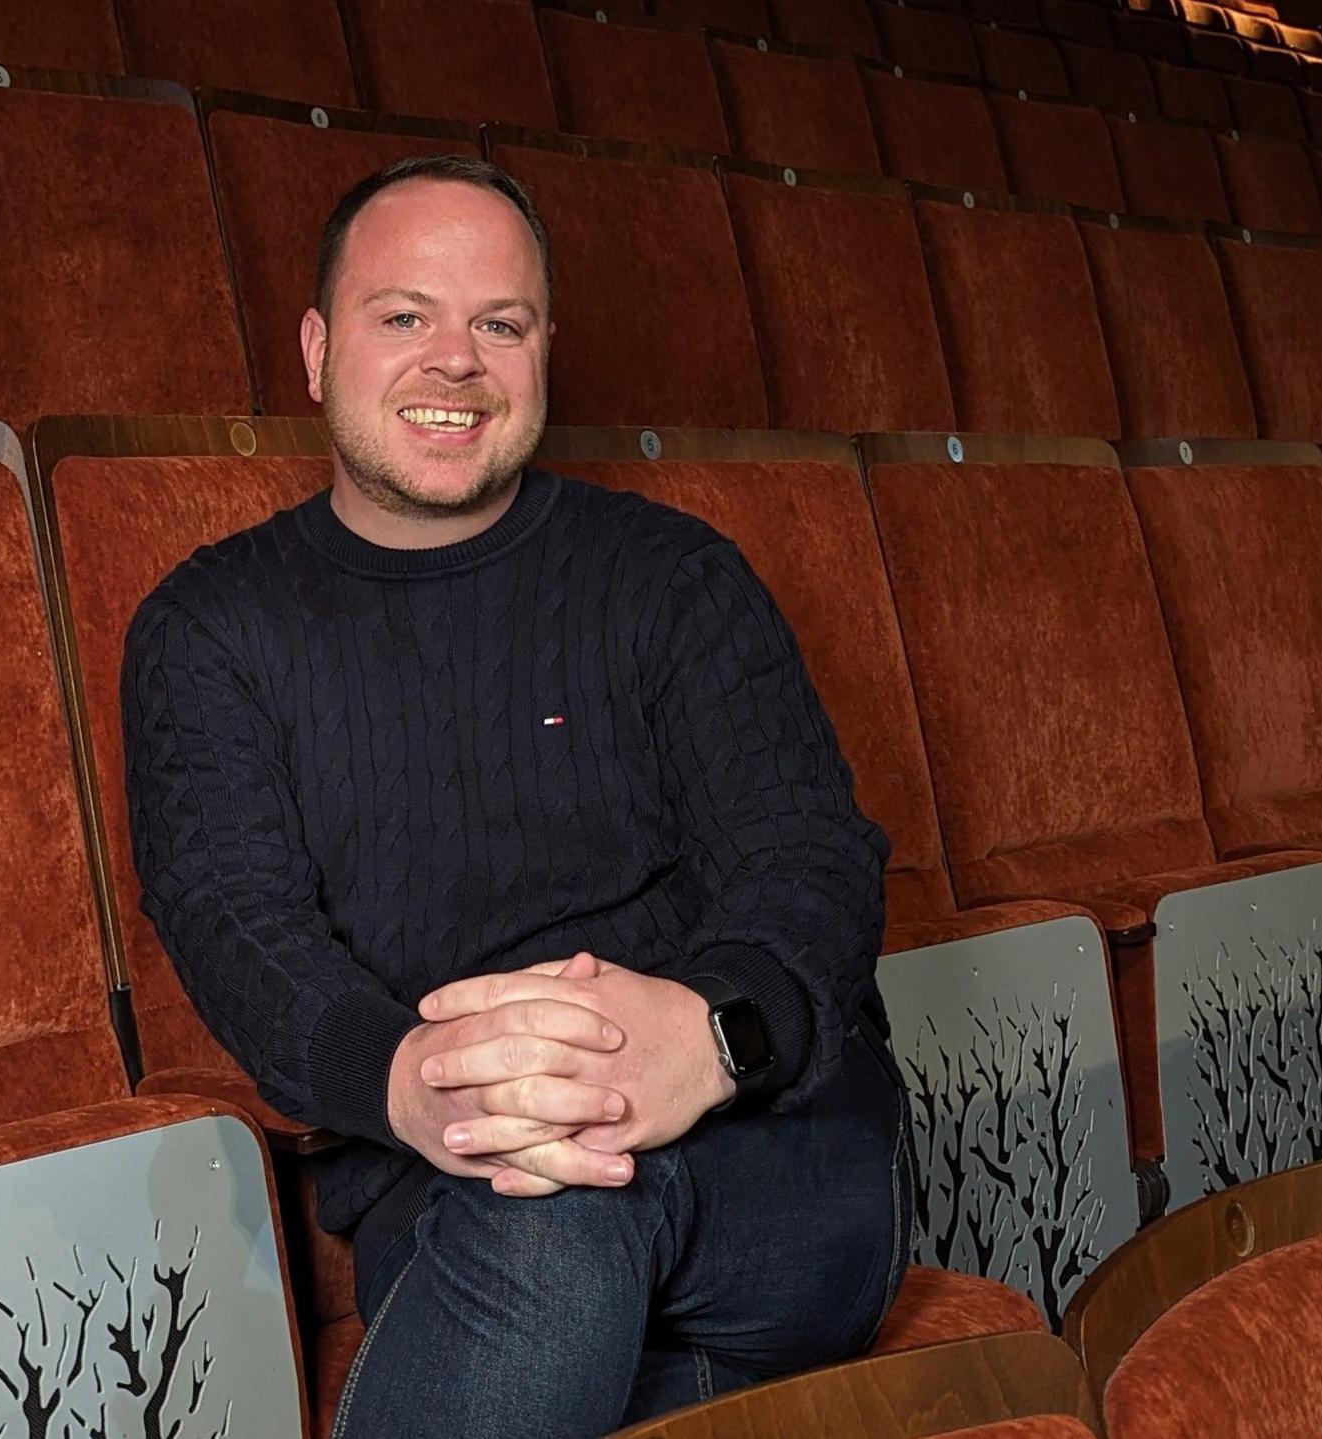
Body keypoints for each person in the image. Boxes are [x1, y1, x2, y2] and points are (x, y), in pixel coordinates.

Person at [120, 154, 908, 1438]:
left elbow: (808, 855)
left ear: (544, 351)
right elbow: (233, 920)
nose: (456, 361)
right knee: (549, 1221)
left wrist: (705, 1034)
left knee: (560, 1201)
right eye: (404, 316)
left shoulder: (673, 578)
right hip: (451, 1178)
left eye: (501, 322)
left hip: (776, 1167)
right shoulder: (210, 628)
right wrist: (409, 1074)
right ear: (317, 350)